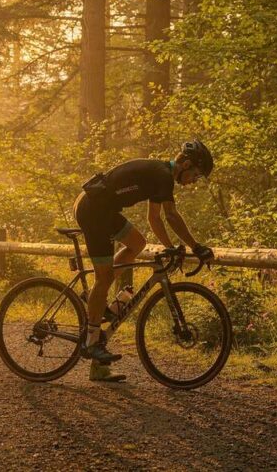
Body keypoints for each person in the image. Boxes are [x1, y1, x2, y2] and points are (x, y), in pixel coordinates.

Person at [73, 140, 216, 382]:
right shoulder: (163, 176)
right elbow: (170, 215)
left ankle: (98, 366)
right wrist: (196, 246)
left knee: (138, 244)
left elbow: (154, 219)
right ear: (187, 164)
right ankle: (90, 341)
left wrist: (171, 248)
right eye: (196, 175)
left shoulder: (160, 176)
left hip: (102, 208)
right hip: (93, 210)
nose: (193, 182)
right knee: (104, 277)